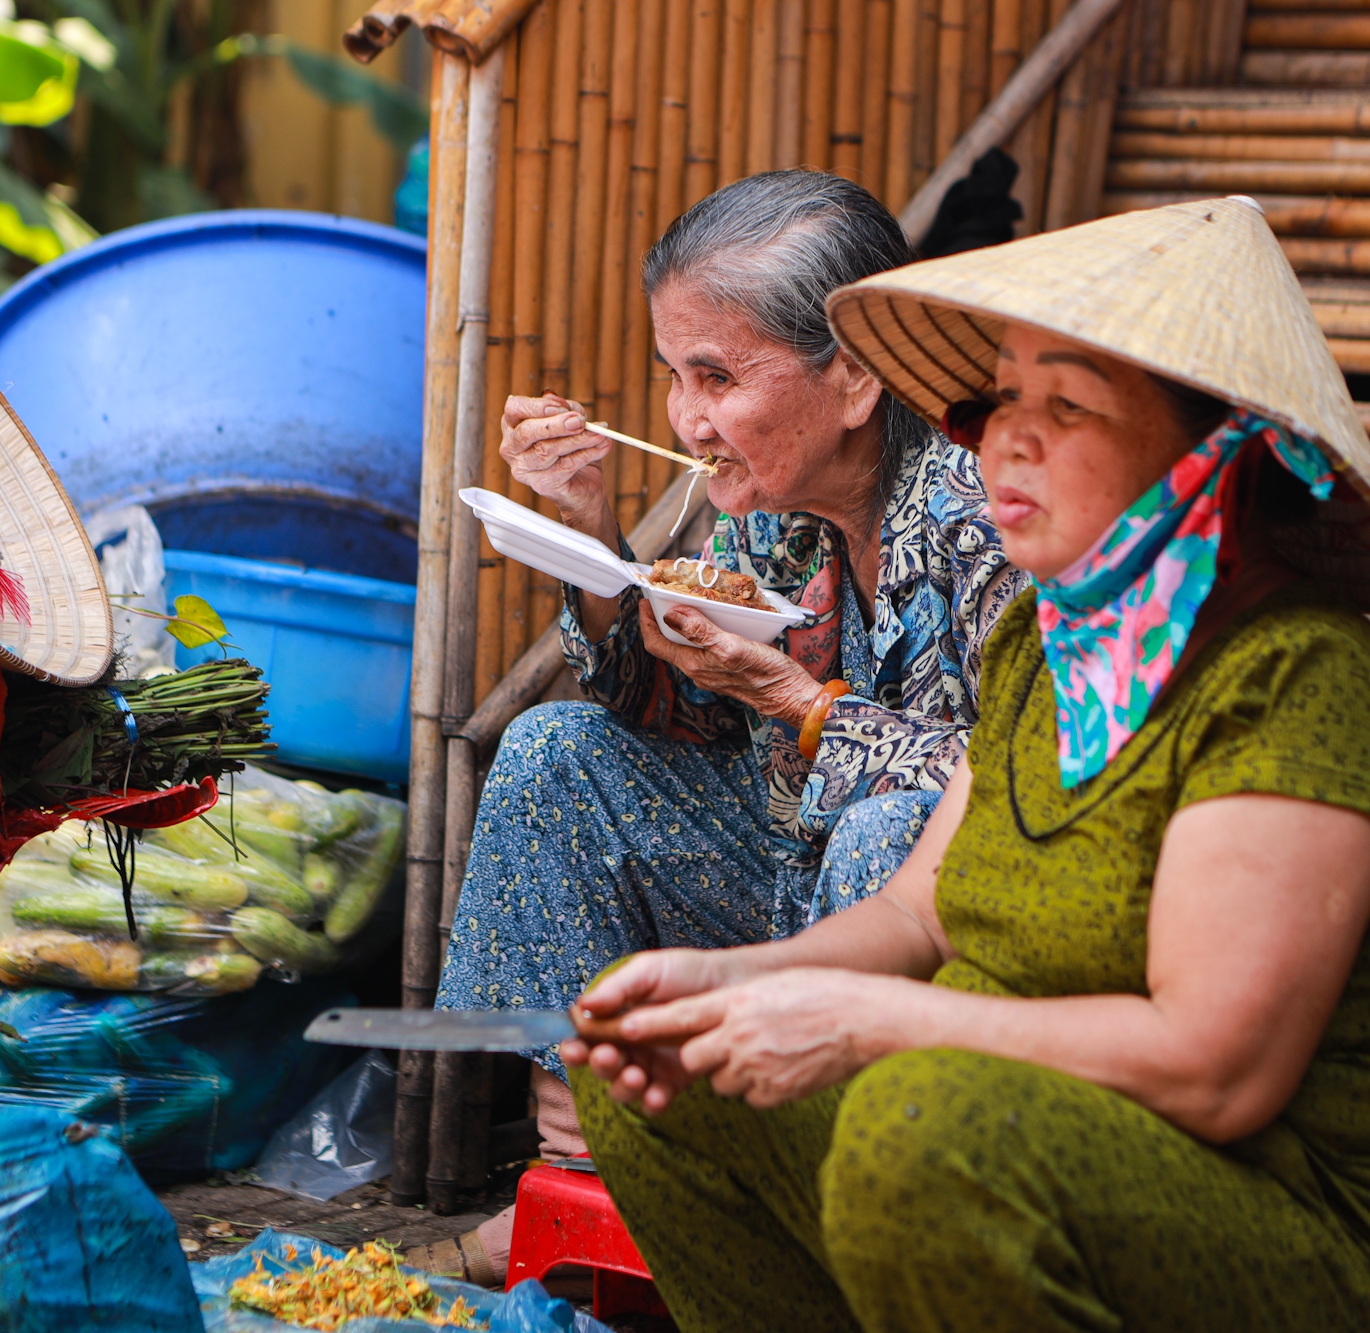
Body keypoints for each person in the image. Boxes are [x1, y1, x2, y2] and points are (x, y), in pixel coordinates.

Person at [561, 197, 1370, 1332]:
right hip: (1010, 1134)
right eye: (1002, 398)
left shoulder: (1292, 676)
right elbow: (917, 914)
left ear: (1211, 454)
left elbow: (1212, 1069)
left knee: (918, 1125)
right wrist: (739, 983)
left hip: (1297, 1231)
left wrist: (861, 1023)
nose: (1005, 438)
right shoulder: (1049, 646)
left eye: (1068, 407)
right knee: (653, 1081)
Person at [418, 170, 1023, 1285]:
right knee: (556, 757)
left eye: (717, 376)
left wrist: (795, 702)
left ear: (850, 379)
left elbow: (1026, 784)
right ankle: (586, 1172)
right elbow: (664, 718)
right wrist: (591, 527)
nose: (687, 419)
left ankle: (807, 1194)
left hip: (938, 935)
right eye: (671, 378)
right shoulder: (757, 509)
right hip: (777, 868)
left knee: (890, 829)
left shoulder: (981, 511)